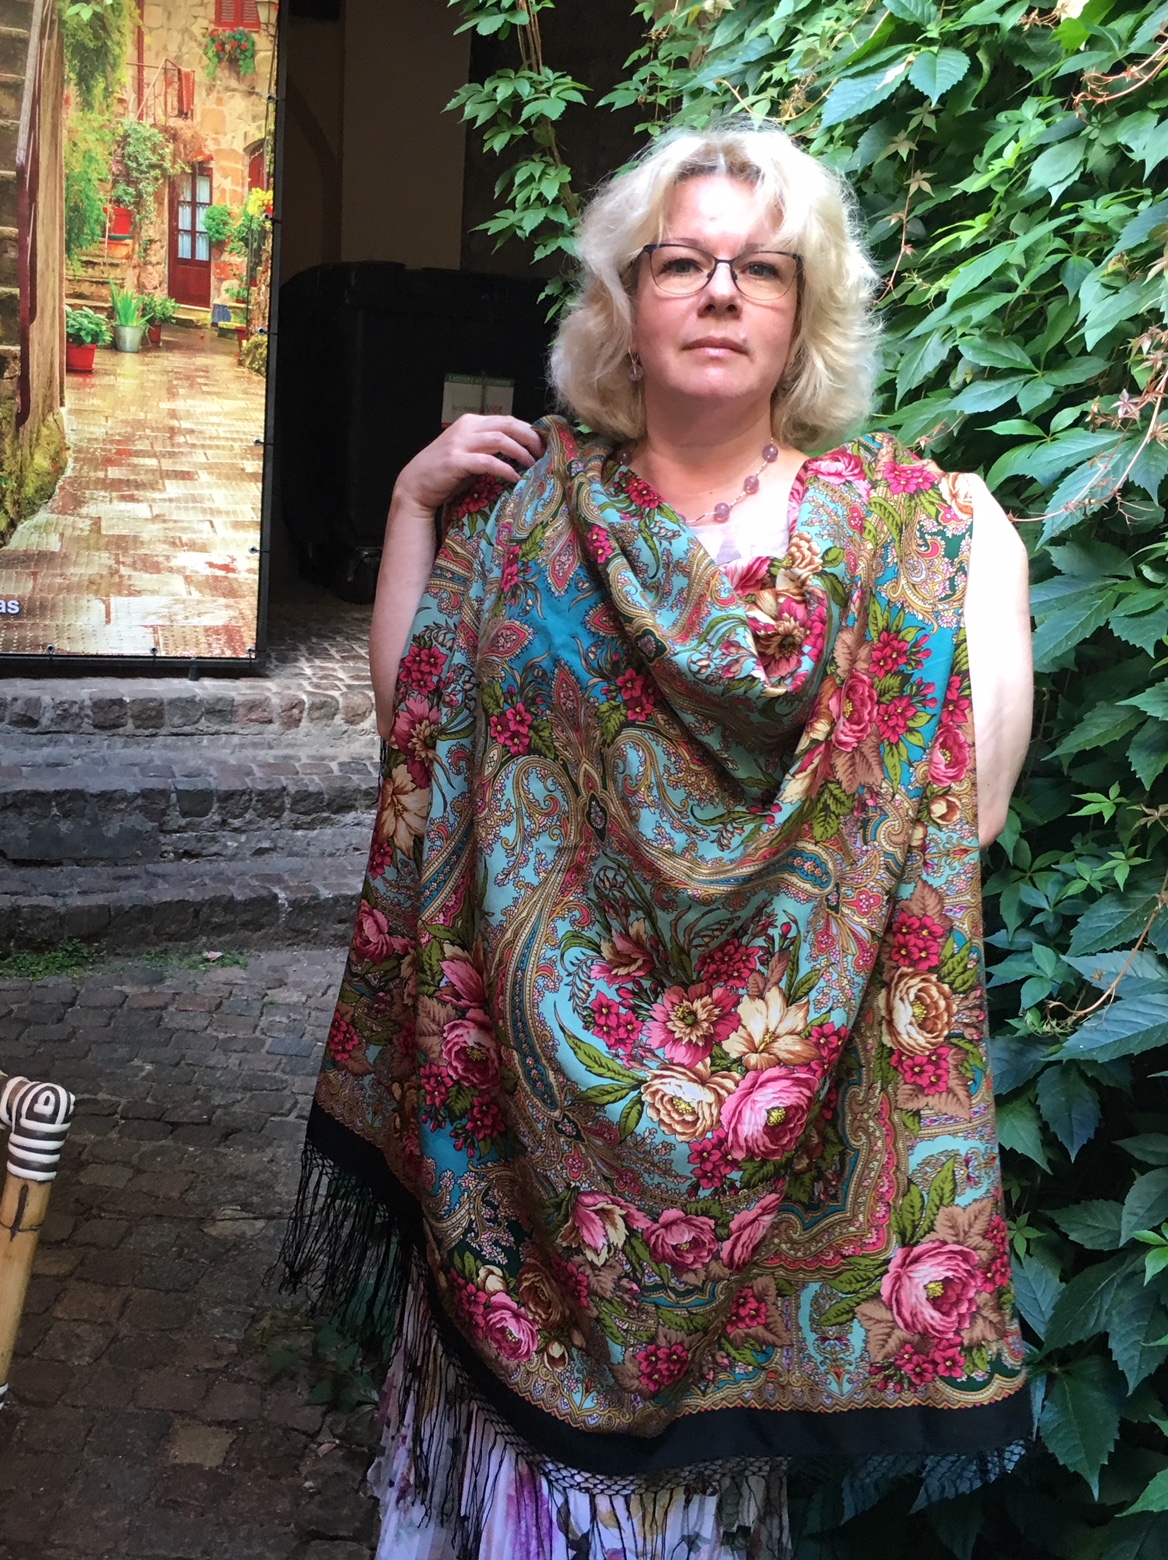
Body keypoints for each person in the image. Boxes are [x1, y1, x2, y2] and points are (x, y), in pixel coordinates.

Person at [282, 120, 1034, 1560]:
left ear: (804, 313)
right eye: (682, 262)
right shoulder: (532, 514)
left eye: (763, 268)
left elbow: (969, 809)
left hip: (755, 1194)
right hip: (513, 1144)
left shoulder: (892, 536)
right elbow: (419, 744)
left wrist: (992, 564)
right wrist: (410, 507)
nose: (722, 291)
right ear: (624, 303)